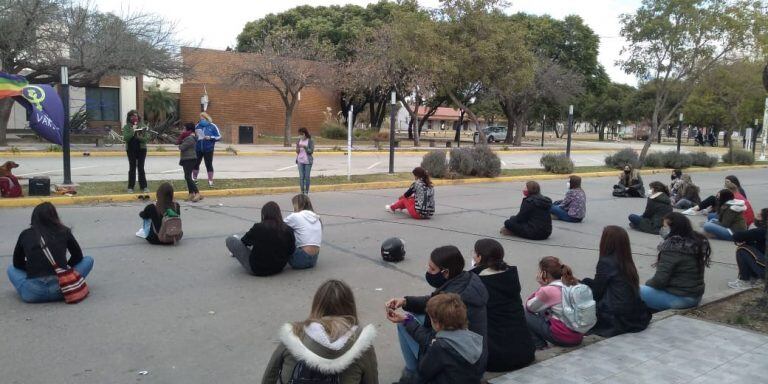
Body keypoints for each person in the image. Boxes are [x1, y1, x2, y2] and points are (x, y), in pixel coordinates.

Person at [385, 245, 488, 384]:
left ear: (445, 272)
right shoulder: (466, 281)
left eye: (432, 269)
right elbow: (432, 301)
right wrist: (405, 302)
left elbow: (431, 342)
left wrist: (407, 321)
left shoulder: (439, 346)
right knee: (412, 316)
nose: (428, 271)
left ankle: (410, 370)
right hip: (473, 357)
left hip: (449, 363)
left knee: (404, 326)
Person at [261, 280, 378, 384]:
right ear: (351, 307)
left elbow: (270, 376)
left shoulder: (295, 335)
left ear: (317, 306)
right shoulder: (361, 345)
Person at [7, 202, 94, 303]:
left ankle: (29, 288)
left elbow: (17, 263)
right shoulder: (64, 231)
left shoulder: (25, 234)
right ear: (55, 216)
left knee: (11, 269)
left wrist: (33, 268)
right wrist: (64, 268)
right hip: (62, 289)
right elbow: (78, 256)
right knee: (88, 260)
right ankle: (69, 283)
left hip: (33, 293)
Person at [469, 239, 534, 372]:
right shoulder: (510, 274)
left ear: (479, 257)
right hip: (525, 352)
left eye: (474, 253)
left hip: (497, 360)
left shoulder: (477, 280)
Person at [581, 226, 651, 337]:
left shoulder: (606, 262)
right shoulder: (626, 260)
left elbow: (597, 292)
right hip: (632, 312)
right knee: (585, 282)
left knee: (580, 292)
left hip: (614, 314)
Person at [641, 212, 711, 311]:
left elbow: (659, 281)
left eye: (665, 226)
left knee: (632, 290)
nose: (662, 229)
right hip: (694, 296)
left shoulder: (673, 247)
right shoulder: (694, 242)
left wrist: (648, 284)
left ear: (673, 228)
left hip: (680, 298)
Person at [415, 293, 485, 384]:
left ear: (437, 324)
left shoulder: (439, 347)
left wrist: (431, 347)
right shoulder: (472, 338)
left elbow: (423, 373)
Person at [524, 256, 583, 349]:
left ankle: (540, 346)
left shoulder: (549, 290)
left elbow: (529, 307)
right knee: (544, 308)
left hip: (564, 338)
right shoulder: (574, 283)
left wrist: (542, 286)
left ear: (544, 274)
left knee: (524, 313)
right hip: (579, 335)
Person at [225, 201, 296, 276]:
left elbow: (244, 241)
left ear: (264, 214)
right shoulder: (288, 229)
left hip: (257, 269)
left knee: (230, 239)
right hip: (279, 268)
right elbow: (291, 250)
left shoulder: (258, 227)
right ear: (279, 214)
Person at [728, 208, 767, 289]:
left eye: (758, 215)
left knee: (742, 249)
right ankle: (755, 277)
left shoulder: (762, 231)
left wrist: (746, 240)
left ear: (761, 218)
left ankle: (745, 280)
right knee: (751, 247)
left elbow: (737, 236)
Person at [284, 194, 322, 269]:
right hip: (313, 259)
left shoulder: (295, 216)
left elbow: (278, 225)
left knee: (284, 234)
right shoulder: (316, 217)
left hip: (300, 260)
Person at [122, 109, 149, 193]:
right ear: (129, 117)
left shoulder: (143, 126)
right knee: (132, 168)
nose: (135, 118)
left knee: (141, 168)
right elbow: (126, 138)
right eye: (133, 116)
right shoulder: (126, 127)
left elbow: (146, 139)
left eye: (136, 116)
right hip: (131, 149)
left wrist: (139, 136)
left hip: (141, 149)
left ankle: (144, 186)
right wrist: (133, 131)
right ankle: (130, 187)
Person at [193, 112, 221, 188]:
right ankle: (194, 179)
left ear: (207, 118)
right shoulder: (197, 126)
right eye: (201, 119)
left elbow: (219, 137)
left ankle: (210, 181)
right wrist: (195, 135)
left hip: (208, 149)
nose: (202, 120)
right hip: (198, 148)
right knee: (196, 164)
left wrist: (210, 137)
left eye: (203, 119)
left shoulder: (213, 126)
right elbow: (194, 136)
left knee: (208, 164)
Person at [178, 122, 203, 202]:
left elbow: (182, 147)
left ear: (188, 129)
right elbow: (177, 142)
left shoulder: (190, 138)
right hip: (186, 159)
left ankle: (197, 193)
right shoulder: (187, 137)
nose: (183, 130)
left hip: (190, 159)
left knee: (188, 177)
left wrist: (180, 144)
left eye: (184, 129)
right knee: (187, 176)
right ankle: (191, 193)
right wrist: (167, 137)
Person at [295, 127, 315, 195]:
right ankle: (302, 192)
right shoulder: (298, 140)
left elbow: (311, 151)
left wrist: (305, 147)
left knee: (307, 177)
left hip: (307, 161)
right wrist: (298, 148)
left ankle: (306, 192)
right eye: (299, 134)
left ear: (305, 134)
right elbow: (297, 152)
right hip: (300, 161)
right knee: (301, 177)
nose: (300, 136)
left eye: (301, 134)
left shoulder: (310, 141)